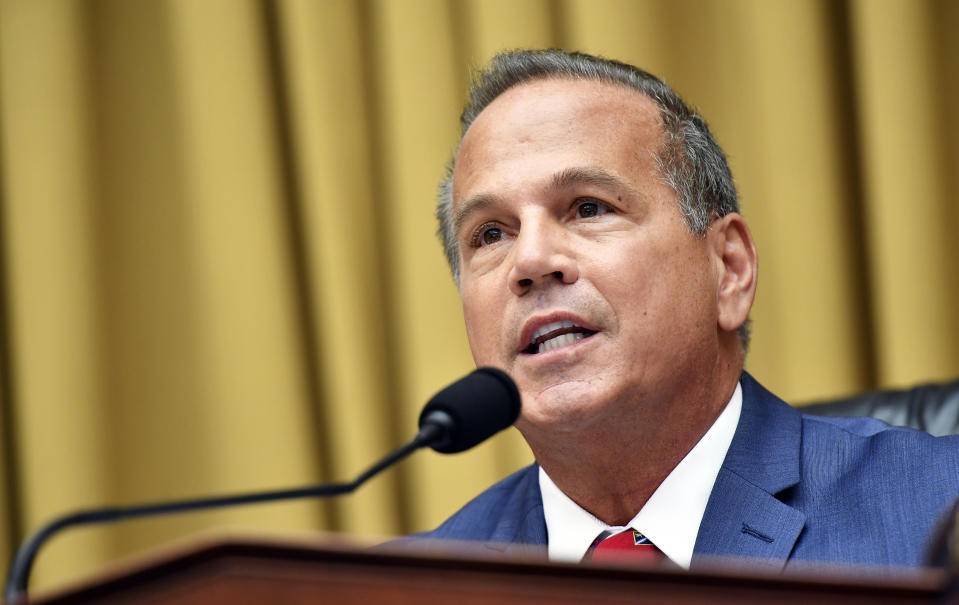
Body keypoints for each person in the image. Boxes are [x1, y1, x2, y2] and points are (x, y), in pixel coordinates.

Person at [411, 49, 959, 570]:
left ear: (729, 268)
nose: (529, 261)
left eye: (587, 208)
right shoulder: (406, 586)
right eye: (490, 234)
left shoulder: (938, 511)